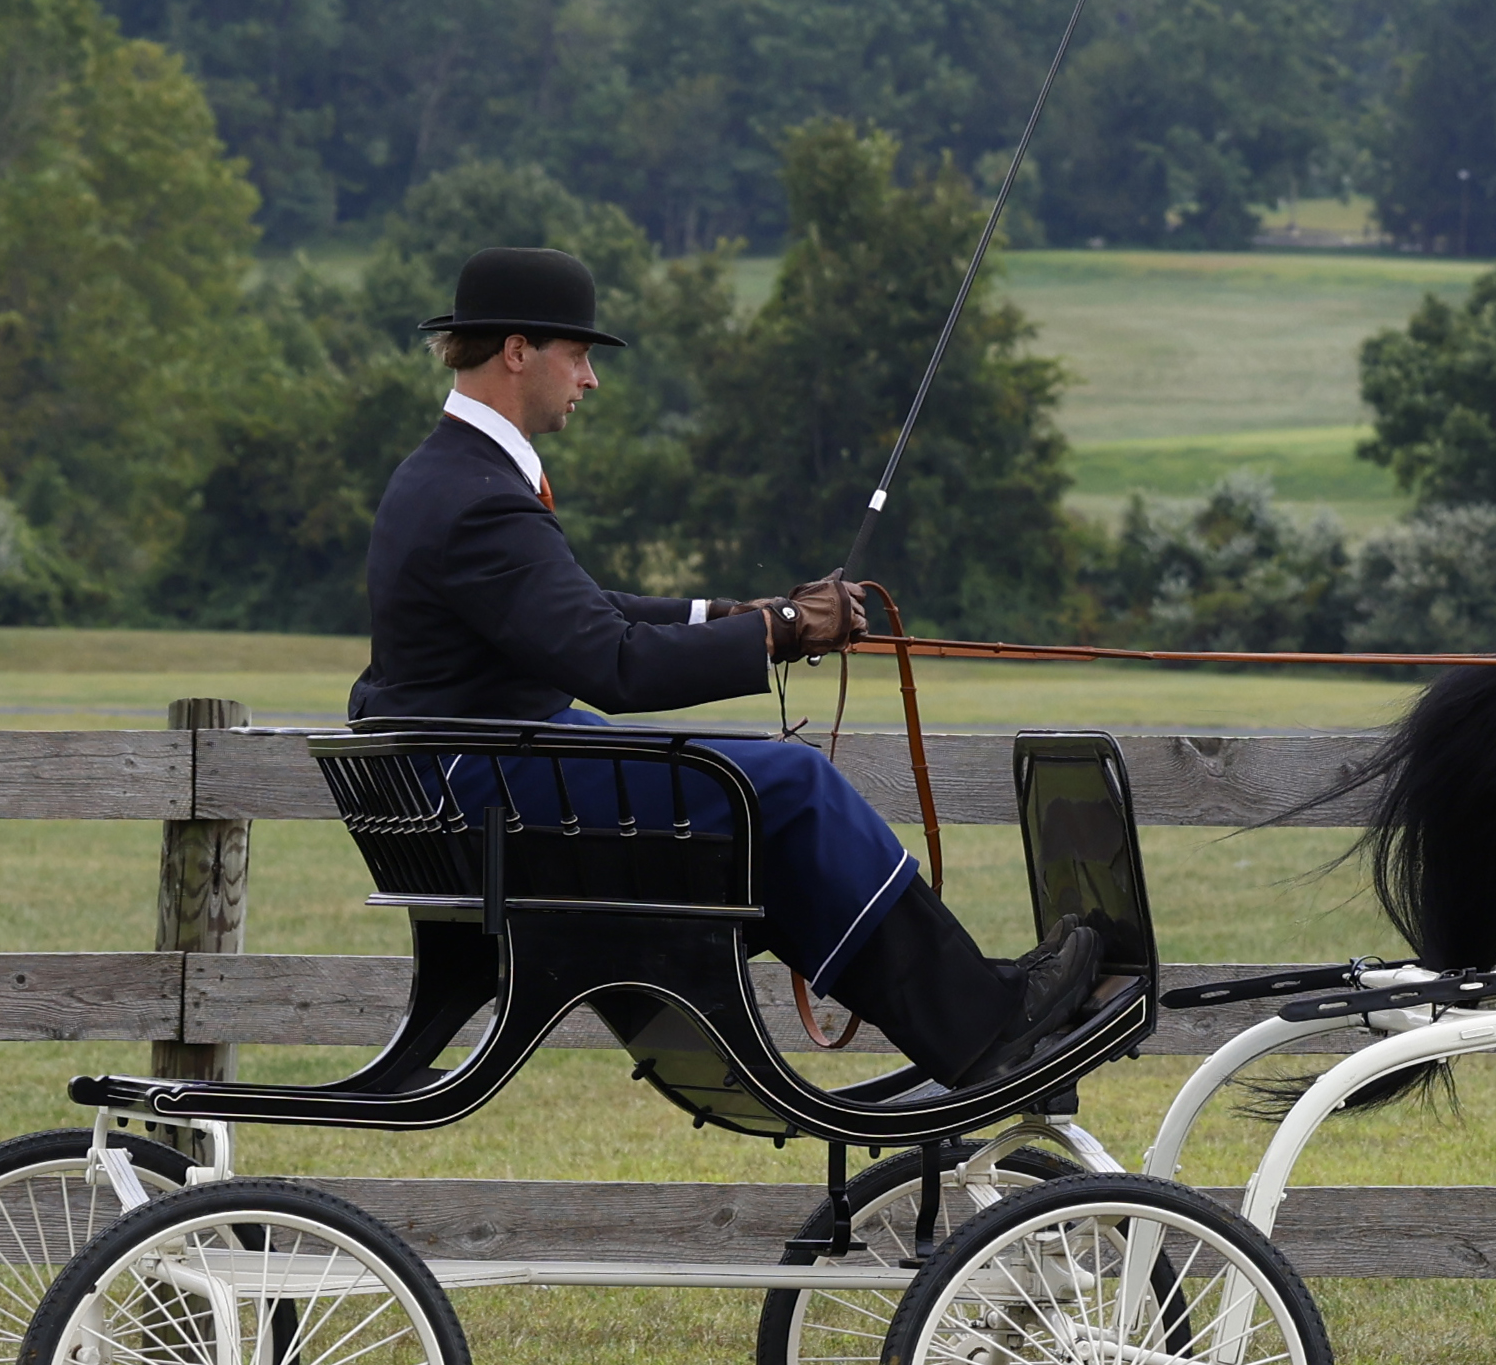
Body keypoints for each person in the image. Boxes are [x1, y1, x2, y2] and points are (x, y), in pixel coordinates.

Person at [349, 245, 1104, 1086]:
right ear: (518, 350)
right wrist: (779, 630)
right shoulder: (480, 495)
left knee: (766, 800)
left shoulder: (449, 476)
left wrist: (746, 616)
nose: (590, 380)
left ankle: (957, 1015)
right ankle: (981, 1024)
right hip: (495, 788)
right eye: (580, 354)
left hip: (473, 778)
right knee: (787, 784)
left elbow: (590, 614)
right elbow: (613, 666)